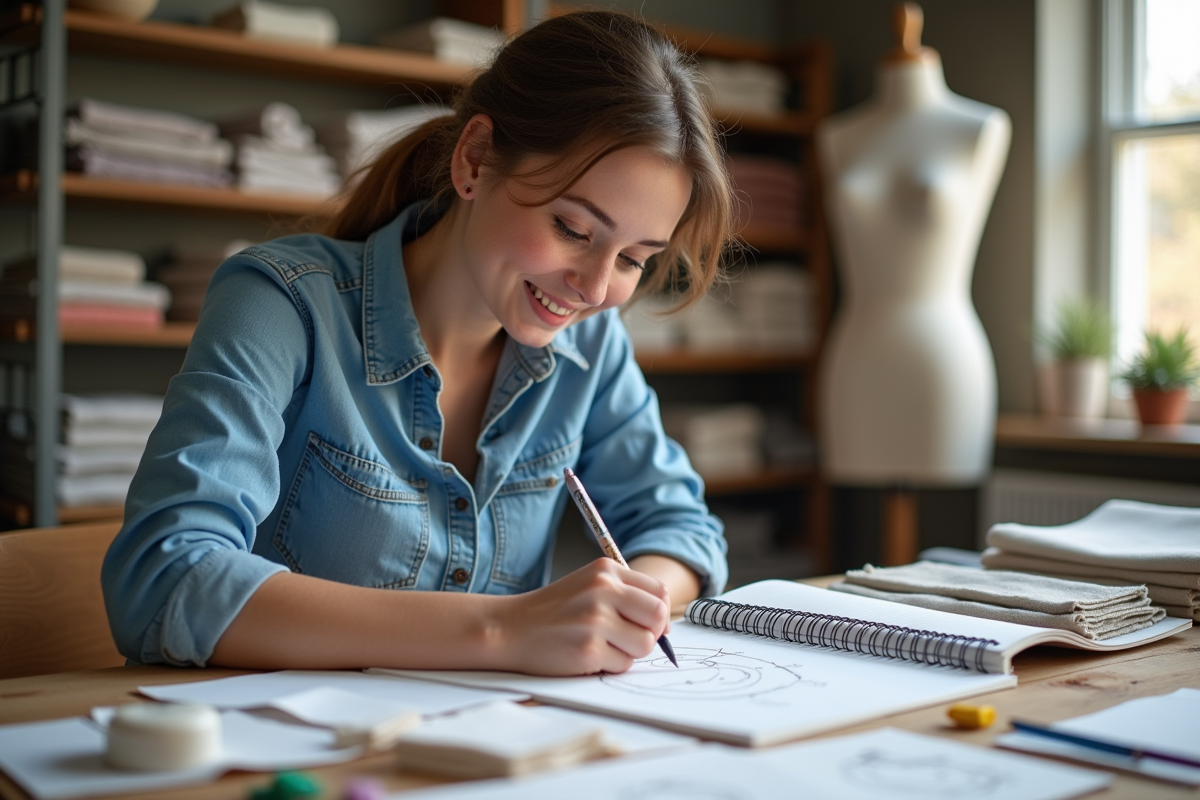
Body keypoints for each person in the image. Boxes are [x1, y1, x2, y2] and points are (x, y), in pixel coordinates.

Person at [101, 10, 734, 677]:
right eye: (573, 229)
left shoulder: (593, 345)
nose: (595, 287)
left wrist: (634, 603)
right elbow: (162, 578)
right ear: (475, 159)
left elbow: (684, 532)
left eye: (634, 258)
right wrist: (501, 629)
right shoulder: (281, 303)